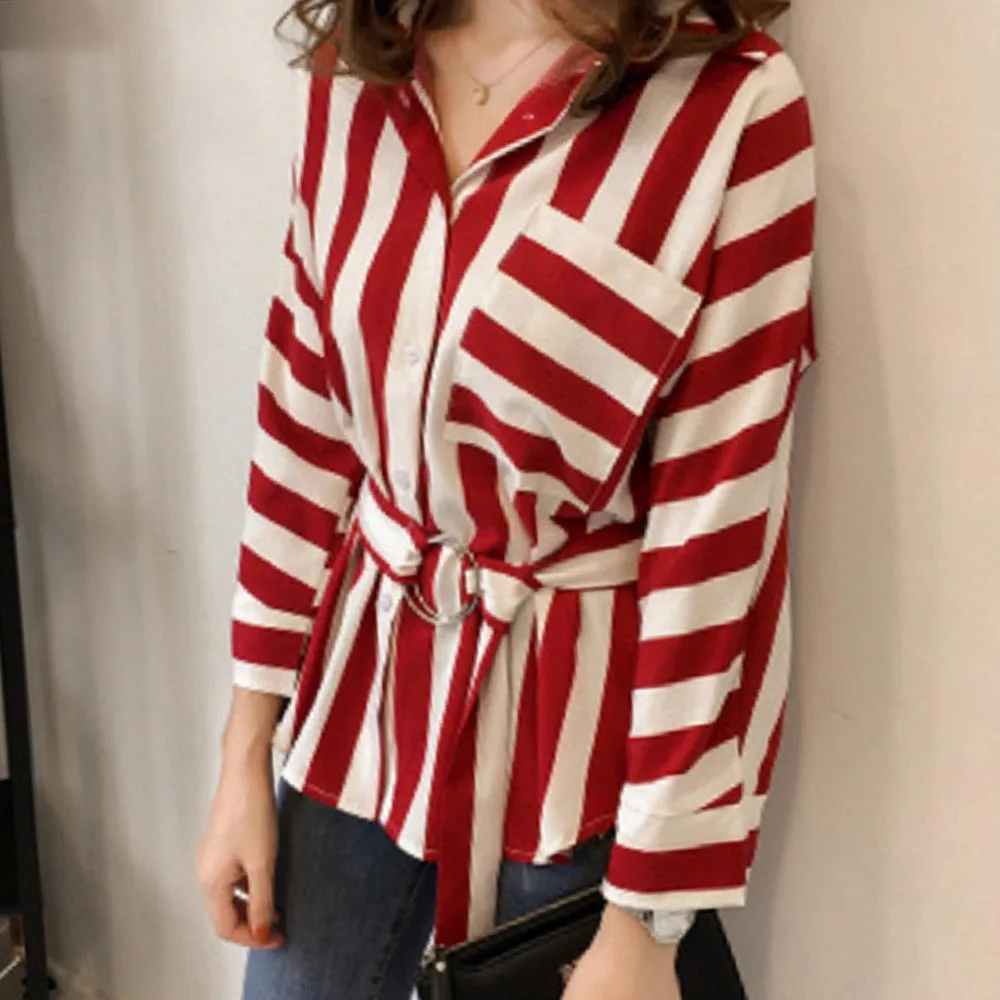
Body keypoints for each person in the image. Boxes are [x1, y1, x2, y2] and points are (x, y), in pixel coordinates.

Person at [196, 0, 816, 997]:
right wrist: (244, 751)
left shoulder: (731, 108)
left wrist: (646, 919)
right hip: (363, 715)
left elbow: (717, 534)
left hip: (580, 770)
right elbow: (302, 434)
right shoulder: (359, 70)